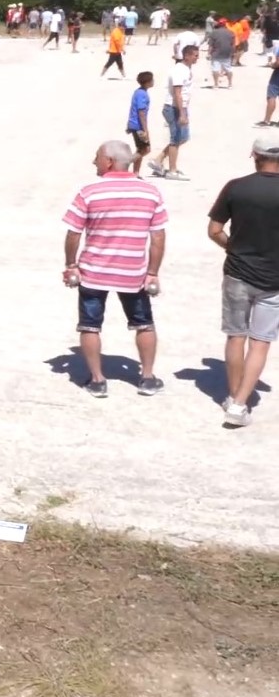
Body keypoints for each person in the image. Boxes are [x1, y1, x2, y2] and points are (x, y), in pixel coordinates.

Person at [62, 140, 168, 399]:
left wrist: (71, 265)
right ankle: (147, 377)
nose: (94, 161)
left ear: (109, 161)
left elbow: (74, 233)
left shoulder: (89, 192)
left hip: (93, 272)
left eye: (97, 156)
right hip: (133, 273)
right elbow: (157, 236)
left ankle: (97, 381)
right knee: (144, 324)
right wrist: (152, 272)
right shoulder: (150, 192)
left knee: (89, 326)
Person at [207, 133, 279, 427]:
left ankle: (233, 396)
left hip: (237, 272)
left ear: (255, 156)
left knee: (235, 336)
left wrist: (232, 247)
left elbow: (214, 230)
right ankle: (239, 405)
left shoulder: (236, 187)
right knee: (260, 342)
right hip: (274, 279)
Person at [148, 44, 197, 181]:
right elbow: (177, 93)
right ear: (187, 56)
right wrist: (181, 113)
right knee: (176, 139)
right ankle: (172, 171)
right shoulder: (179, 70)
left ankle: (158, 160)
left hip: (180, 107)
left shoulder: (186, 69)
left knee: (183, 137)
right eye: (195, 55)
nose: (197, 58)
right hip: (174, 108)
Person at [127, 72, 152, 174]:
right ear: (147, 82)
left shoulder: (138, 92)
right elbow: (141, 112)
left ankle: (136, 172)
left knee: (140, 149)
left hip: (134, 124)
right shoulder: (142, 94)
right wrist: (145, 130)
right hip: (138, 126)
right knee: (146, 149)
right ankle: (125, 162)